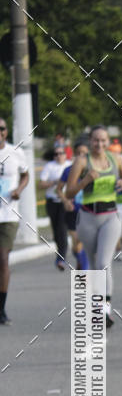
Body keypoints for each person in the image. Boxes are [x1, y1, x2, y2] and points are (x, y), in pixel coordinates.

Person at [66, 124, 122, 327]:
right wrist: (85, 181)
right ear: (90, 141)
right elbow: (69, 193)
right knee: (92, 265)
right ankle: (97, 308)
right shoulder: (81, 161)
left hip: (110, 216)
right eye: (95, 140)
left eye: (103, 140)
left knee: (103, 263)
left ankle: (105, 312)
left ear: (108, 142)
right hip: (87, 216)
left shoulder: (116, 159)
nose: (99, 144)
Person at [0, 118, 29, 325]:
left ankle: (1, 309)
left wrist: (19, 190)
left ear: (6, 131)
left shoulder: (15, 152)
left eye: (1, 128)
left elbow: (25, 175)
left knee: (3, 259)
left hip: (8, 215)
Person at [56, 139, 89, 271]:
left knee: (84, 243)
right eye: (78, 153)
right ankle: (80, 261)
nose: (81, 155)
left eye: (84, 153)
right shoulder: (68, 170)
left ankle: (84, 272)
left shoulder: (94, 170)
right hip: (73, 211)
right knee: (76, 244)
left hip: (90, 211)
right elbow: (58, 189)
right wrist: (65, 201)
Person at [40, 146, 70, 270]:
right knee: (56, 231)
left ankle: (61, 258)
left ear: (65, 154)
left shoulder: (70, 165)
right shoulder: (49, 166)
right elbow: (41, 184)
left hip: (65, 201)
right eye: (56, 154)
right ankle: (59, 253)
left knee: (62, 229)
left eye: (61, 153)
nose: (58, 156)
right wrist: (54, 182)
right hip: (52, 201)